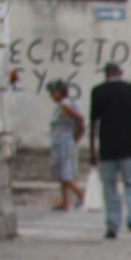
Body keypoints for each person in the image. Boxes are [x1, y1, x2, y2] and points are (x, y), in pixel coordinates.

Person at [87, 62, 131, 240]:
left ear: (106, 73)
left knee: (109, 187)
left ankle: (112, 226)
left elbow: (93, 123)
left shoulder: (98, 91)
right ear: (120, 72)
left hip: (108, 148)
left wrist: (93, 150)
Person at [46, 80, 85, 211]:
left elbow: (80, 119)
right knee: (62, 172)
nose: (52, 96)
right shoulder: (62, 106)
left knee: (65, 173)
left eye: (53, 92)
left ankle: (81, 193)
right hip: (61, 142)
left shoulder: (65, 105)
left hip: (64, 142)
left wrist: (77, 135)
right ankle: (65, 202)